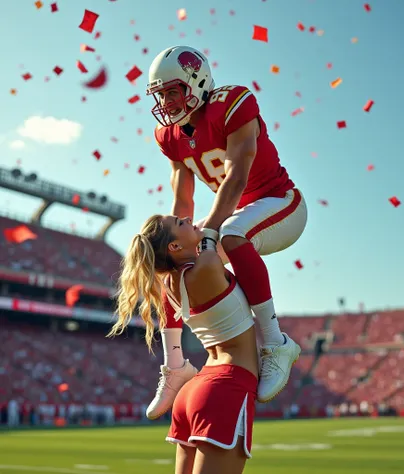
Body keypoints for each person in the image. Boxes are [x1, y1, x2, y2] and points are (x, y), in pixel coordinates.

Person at [145, 45, 307, 418]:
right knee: (168, 263)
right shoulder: (169, 136)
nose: (167, 102)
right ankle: (175, 364)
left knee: (233, 233)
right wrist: (175, 246)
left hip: (280, 203)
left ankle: (275, 342)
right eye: (161, 94)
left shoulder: (232, 103)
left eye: (173, 91)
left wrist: (211, 231)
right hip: (234, 215)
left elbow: (236, 175)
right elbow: (182, 202)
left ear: (196, 82)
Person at [108, 214, 260, 474]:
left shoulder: (170, 283)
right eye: (181, 223)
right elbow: (223, 224)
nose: (190, 218)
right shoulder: (208, 264)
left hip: (194, 391)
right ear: (174, 247)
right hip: (226, 386)